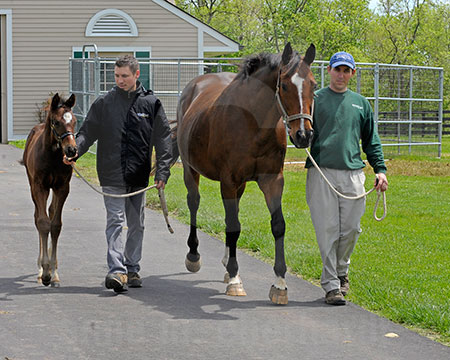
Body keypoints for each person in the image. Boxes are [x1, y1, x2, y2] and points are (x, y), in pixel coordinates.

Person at [64, 55, 172, 293]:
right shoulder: (104, 104)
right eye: (116, 76)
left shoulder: (151, 104)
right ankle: (116, 270)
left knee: (137, 225)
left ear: (136, 75)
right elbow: (86, 133)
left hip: (139, 177)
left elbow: (164, 140)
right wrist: (75, 152)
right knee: (115, 221)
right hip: (111, 174)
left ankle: (132, 268)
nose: (120, 80)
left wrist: (162, 171)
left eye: (124, 76)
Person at [305, 51, 388, 305]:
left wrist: (380, 169)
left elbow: (371, 141)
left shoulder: (361, 103)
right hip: (321, 173)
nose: (341, 75)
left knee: (351, 229)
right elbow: (300, 129)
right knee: (327, 229)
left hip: (353, 173)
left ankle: (342, 272)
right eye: (337, 69)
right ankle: (331, 285)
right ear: (328, 70)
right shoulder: (315, 100)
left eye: (346, 70)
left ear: (352, 73)